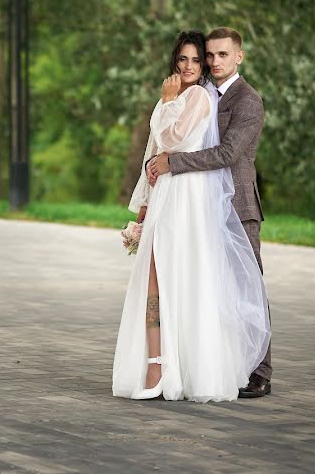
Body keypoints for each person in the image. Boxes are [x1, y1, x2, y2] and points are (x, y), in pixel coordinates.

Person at [112, 29, 270, 402]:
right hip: (185, 200)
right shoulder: (200, 93)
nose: (212, 62)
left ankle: (259, 372)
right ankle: (181, 363)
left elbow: (226, 153)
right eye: (206, 56)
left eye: (217, 55)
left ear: (238, 56)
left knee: (246, 288)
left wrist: (170, 160)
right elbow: (154, 153)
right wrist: (145, 207)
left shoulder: (246, 100)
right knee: (202, 287)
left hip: (235, 203)